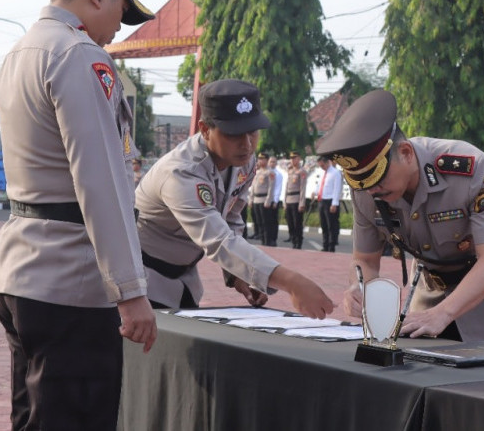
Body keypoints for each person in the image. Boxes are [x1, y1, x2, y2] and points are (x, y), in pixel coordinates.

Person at [0, 0, 157, 431]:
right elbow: (101, 182)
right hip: (73, 283)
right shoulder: (79, 55)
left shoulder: (19, 52)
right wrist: (129, 291)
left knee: (33, 418)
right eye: (120, 15)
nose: (115, 33)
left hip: (21, 273)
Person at [317, 89, 484, 344]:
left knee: (475, 374)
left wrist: (442, 314)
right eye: (363, 183)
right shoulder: (366, 190)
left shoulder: (468, 169)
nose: (372, 190)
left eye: (378, 178)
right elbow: (364, 259)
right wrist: (358, 285)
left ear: (406, 153)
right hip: (432, 286)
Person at [135, 78, 335, 319]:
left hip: (184, 278)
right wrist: (292, 282)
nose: (247, 144)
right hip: (144, 282)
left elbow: (229, 217)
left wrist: (238, 273)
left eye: (253, 132)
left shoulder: (242, 163)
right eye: (234, 134)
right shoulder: (181, 172)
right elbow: (218, 240)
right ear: (205, 129)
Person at [316, 155, 343, 252]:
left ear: (327, 162)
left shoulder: (335, 173)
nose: (321, 167)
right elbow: (320, 185)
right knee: (323, 224)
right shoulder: (323, 172)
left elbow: (337, 189)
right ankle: (325, 244)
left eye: (323, 165)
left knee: (331, 224)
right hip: (322, 200)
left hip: (330, 201)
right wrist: (315, 193)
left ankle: (331, 245)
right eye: (320, 166)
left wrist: (334, 203)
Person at [250, 152, 276, 245]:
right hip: (256, 199)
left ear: (267, 160)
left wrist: (268, 200)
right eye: (259, 159)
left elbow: (271, 187)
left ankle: (267, 241)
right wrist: (251, 199)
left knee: (266, 222)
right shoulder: (257, 171)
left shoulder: (270, 172)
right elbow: (253, 186)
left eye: (262, 159)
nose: (260, 161)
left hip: (264, 199)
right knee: (259, 221)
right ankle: (262, 239)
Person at [284, 151, 308, 249]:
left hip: (297, 200)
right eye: (291, 158)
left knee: (297, 223)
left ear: (299, 159)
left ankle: (298, 242)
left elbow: (303, 188)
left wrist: (301, 203)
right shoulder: (289, 171)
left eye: (295, 158)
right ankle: (293, 240)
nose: (293, 160)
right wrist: (284, 201)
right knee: (290, 222)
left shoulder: (302, 171)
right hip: (289, 199)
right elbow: (286, 187)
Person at [268, 155, 283, 245]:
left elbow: (278, 188)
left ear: (276, 163)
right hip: (266, 200)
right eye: (271, 161)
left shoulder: (278, 174)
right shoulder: (266, 172)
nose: (272, 163)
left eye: (274, 162)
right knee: (267, 220)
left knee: (273, 221)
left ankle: (273, 239)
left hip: (273, 200)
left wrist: (276, 200)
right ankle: (267, 238)